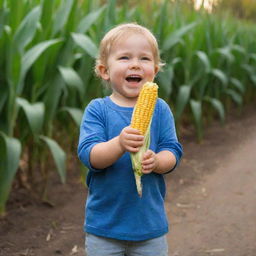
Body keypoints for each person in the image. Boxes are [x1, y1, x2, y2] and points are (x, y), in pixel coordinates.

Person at [78, 23, 183, 256]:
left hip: (149, 227)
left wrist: (157, 162)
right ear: (105, 71)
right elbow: (89, 155)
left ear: (154, 71)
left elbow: (172, 150)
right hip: (104, 227)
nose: (135, 64)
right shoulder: (98, 110)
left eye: (144, 59)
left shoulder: (160, 109)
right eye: (124, 57)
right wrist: (118, 144)